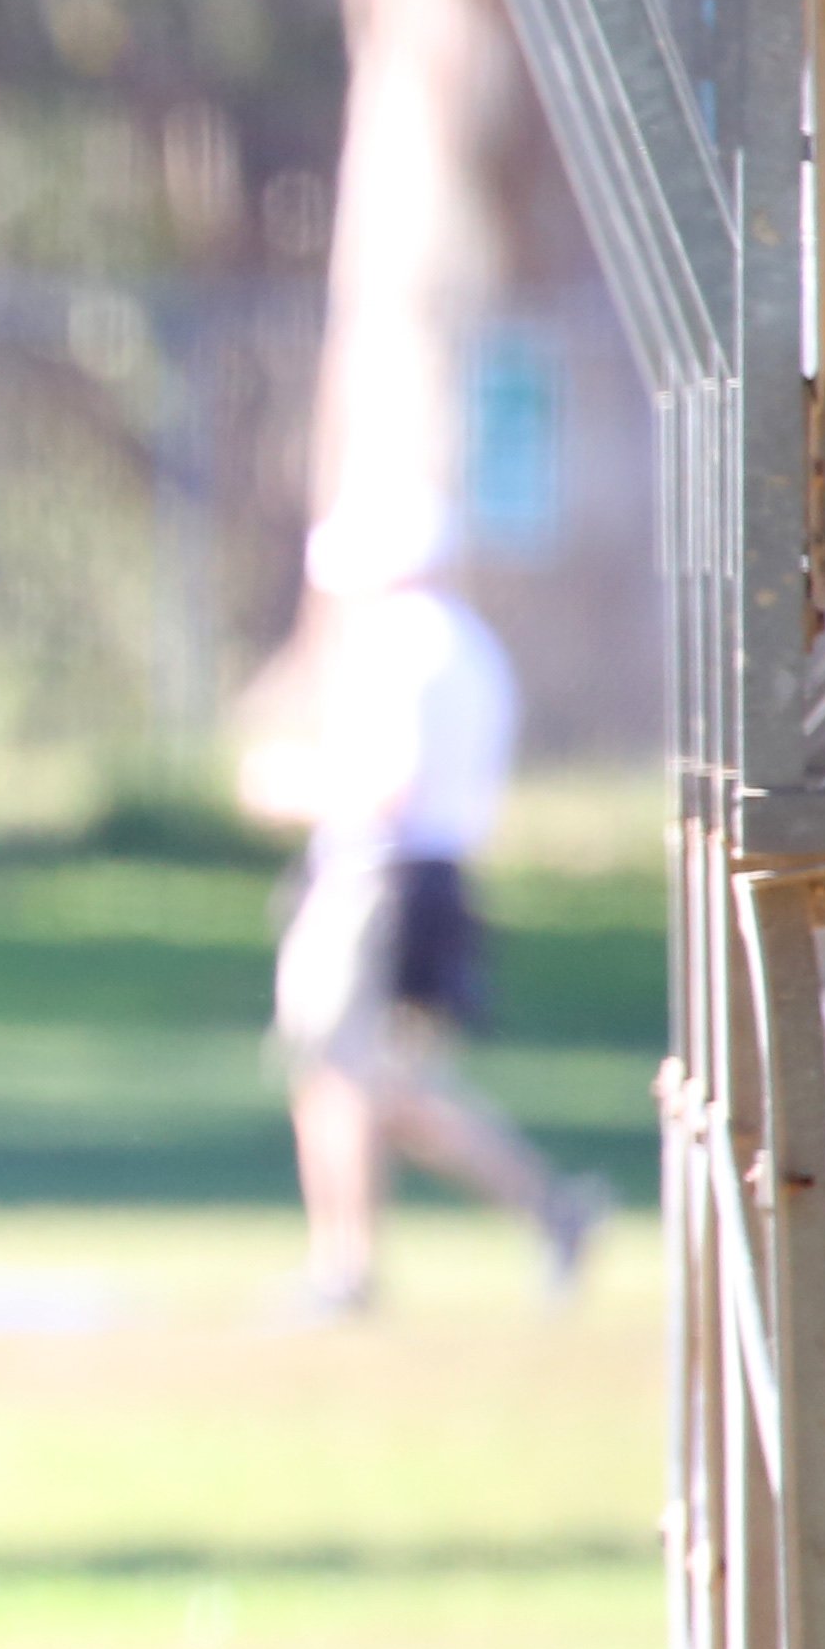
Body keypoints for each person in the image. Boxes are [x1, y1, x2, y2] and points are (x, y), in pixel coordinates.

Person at [248, 498, 598, 1315]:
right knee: (393, 1086)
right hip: (433, 878)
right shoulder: (466, 647)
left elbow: (387, 788)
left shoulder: (404, 644)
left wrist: (283, 787)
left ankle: (345, 1265)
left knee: (336, 1071)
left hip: (378, 878)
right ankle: (552, 1208)